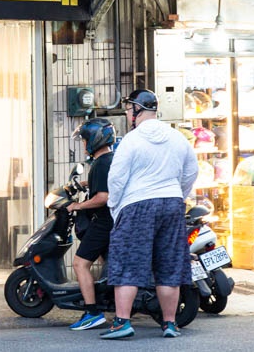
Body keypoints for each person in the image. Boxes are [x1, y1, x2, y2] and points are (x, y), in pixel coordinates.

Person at [101, 89, 197, 340]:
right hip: (172, 203)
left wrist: (115, 206)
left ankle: (122, 322)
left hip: (136, 204)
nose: (127, 113)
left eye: (128, 109)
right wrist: (179, 196)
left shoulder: (131, 141)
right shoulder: (178, 138)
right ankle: (170, 324)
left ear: (136, 109)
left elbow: (117, 178)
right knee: (169, 264)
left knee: (128, 262)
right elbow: (191, 172)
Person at [68, 118, 116, 331]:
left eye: (85, 140)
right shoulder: (110, 159)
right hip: (114, 220)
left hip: (103, 222)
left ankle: (92, 312)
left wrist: (78, 206)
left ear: (95, 140)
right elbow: (106, 184)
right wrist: (85, 183)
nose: (84, 144)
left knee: (80, 263)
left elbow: (103, 197)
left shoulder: (101, 163)